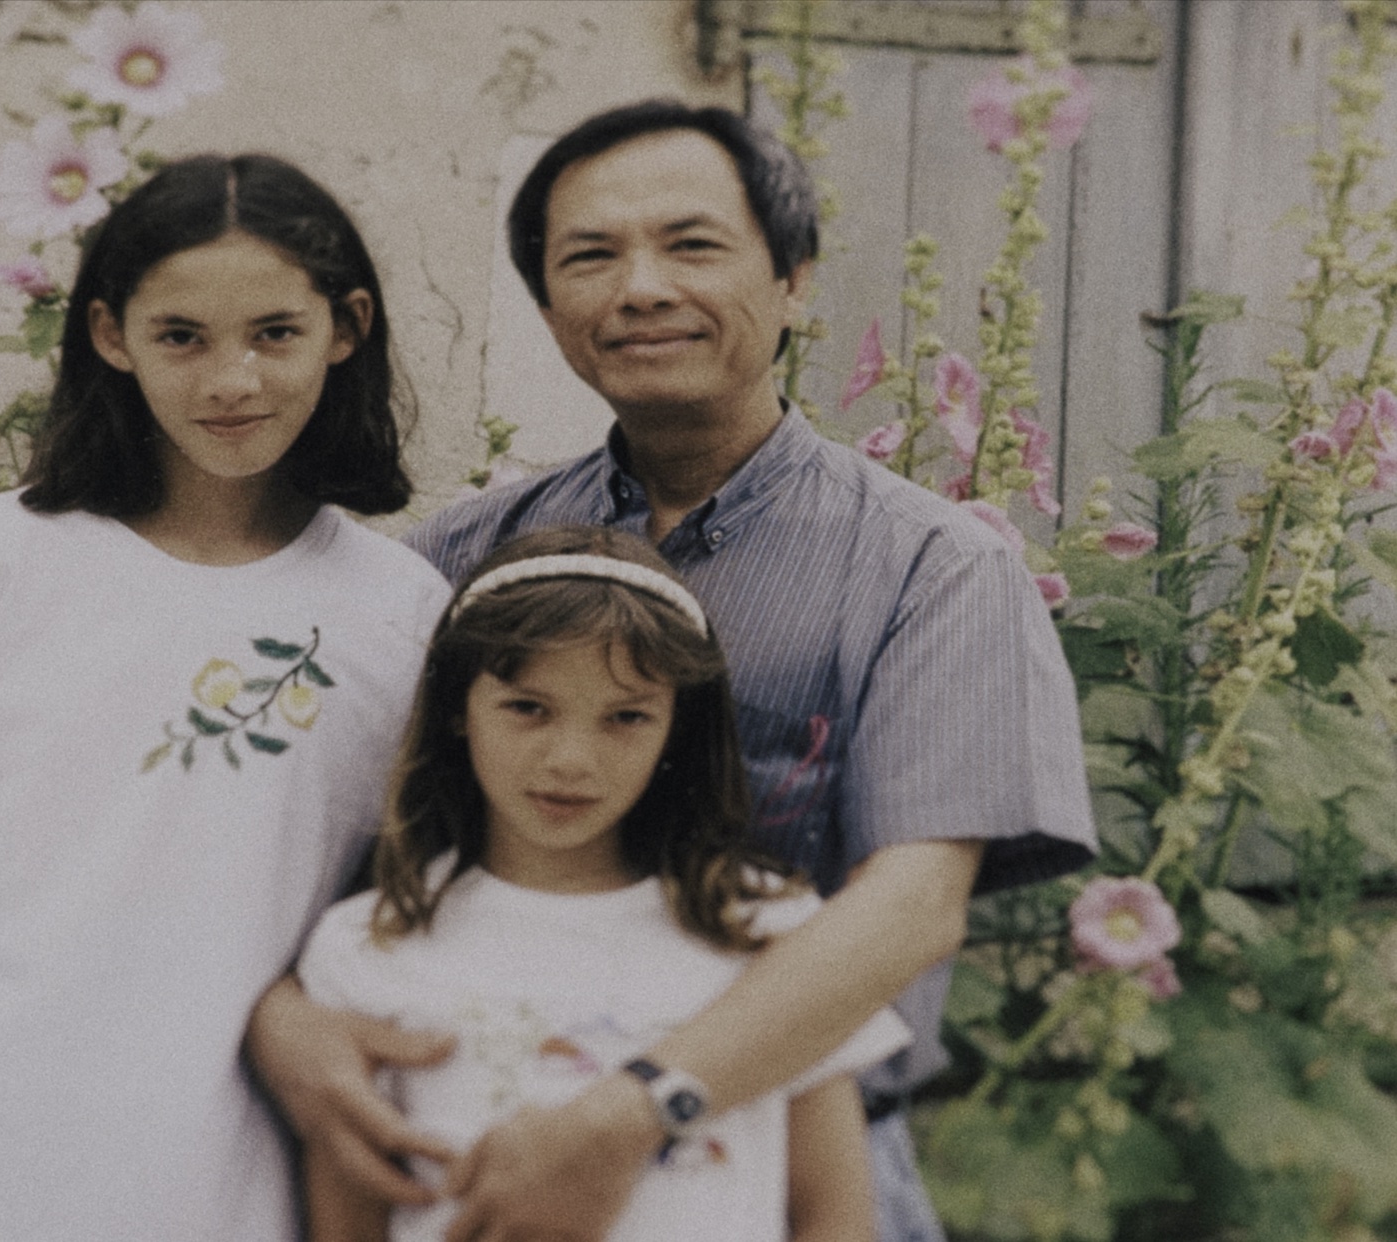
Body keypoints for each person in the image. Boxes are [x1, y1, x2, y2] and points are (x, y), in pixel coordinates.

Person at [247, 100, 1097, 1242]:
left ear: (793, 281)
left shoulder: (932, 570)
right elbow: (330, 848)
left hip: (798, 1165)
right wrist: (282, 1022)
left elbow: (911, 910)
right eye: (590, 257)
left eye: (691, 245)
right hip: (465, 1159)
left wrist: (632, 1113)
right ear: (549, 310)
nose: (641, 288)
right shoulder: (454, 562)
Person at [0, 153, 451, 1240]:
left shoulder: (399, 615)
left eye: (274, 332)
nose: (231, 380)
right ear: (112, 337)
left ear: (346, 328)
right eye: (182, 337)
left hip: (195, 1187)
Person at [296, 526, 911, 1242]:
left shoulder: (767, 926)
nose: (571, 759)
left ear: (676, 724)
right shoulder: (370, 942)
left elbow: (833, 1216)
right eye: (528, 708)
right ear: (457, 706)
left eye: (625, 716)